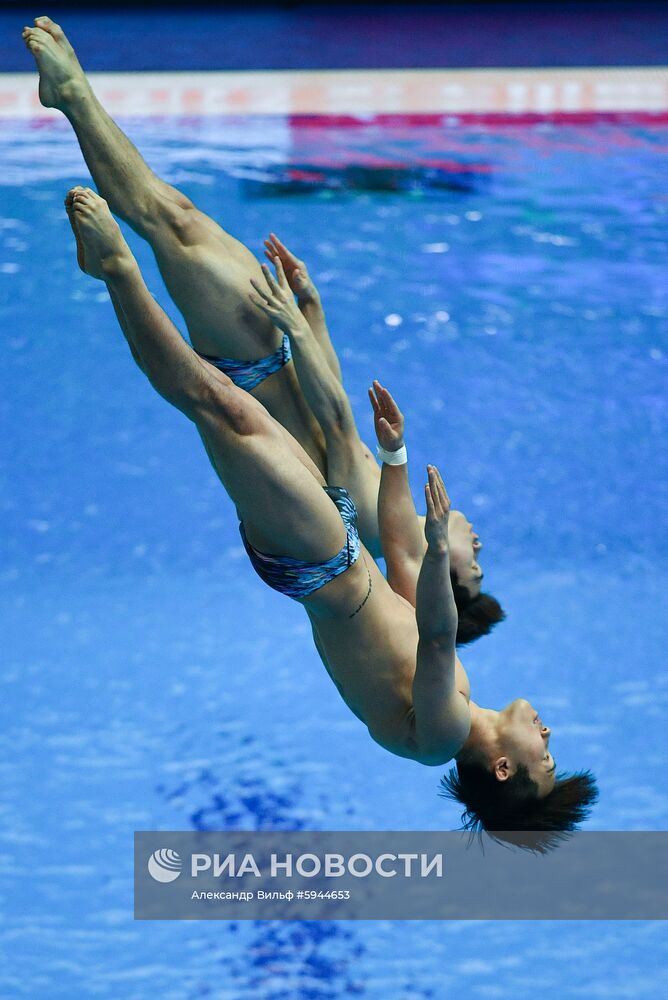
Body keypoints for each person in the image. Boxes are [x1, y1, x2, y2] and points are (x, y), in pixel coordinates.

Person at [60, 180, 597, 851]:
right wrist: (394, 456)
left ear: (503, 767)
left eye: (544, 758)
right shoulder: (460, 695)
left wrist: (439, 550)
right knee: (232, 393)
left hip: (316, 564)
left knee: (217, 404)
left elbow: (434, 633)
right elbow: (398, 560)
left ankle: (114, 270)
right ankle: (124, 258)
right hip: (334, 539)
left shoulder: (440, 739)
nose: (547, 736)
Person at [21, 15, 504, 645]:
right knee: (174, 217)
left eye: (478, 566)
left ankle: (73, 100)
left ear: (450, 580)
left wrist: (296, 329)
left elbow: (331, 416)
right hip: (267, 356)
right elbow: (333, 411)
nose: (481, 546)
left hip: (257, 359)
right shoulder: (385, 505)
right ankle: (77, 112)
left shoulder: (383, 515)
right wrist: (314, 313)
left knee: (169, 219)